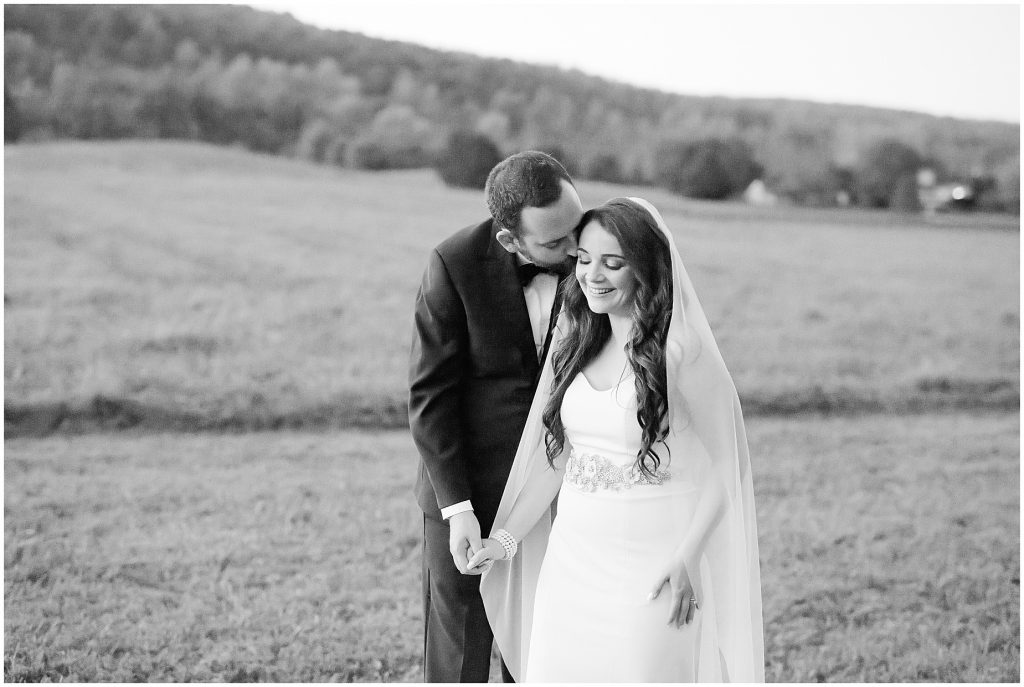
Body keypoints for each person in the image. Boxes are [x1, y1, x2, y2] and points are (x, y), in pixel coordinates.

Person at [470, 197, 764, 682]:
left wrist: (688, 553)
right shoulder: (576, 344)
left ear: (645, 270)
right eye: (584, 260)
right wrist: (504, 540)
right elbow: (556, 460)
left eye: (613, 263)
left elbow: (729, 465)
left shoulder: (682, 354)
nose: (593, 275)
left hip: (651, 570)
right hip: (571, 565)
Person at [408, 151, 584, 682]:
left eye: (577, 227)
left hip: (566, 493)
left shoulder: (595, 254)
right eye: (555, 242)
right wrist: (458, 507)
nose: (577, 250)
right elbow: (430, 396)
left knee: (542, 644)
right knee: (460, 645)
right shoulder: (453, 263)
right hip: (470, 493)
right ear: (511, 240)